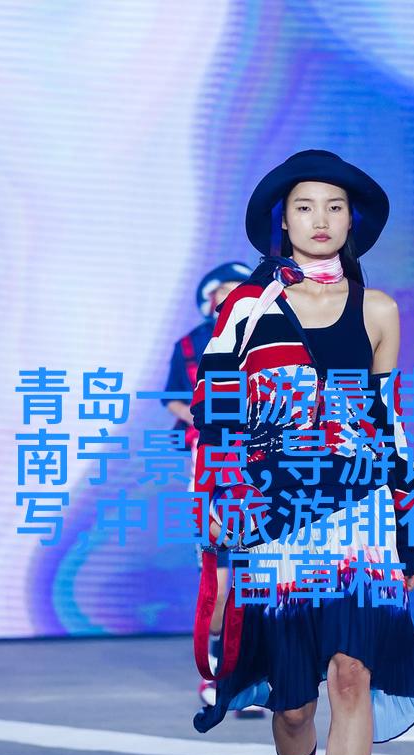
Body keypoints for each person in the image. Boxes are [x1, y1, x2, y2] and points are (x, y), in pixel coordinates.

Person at [191, 150, 414, 755]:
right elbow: (214, 411)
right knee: (293, 699)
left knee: (352, 674)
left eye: (335, 206)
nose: (321, 219)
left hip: (359, 514)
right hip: (275, 517)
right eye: (305, 206)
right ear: (283, 220)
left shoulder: (379, 310)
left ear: (352, 220)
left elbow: (387, 422)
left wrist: (408, 529)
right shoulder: (246, 307)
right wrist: (228, 500)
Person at [163, 261, 265, 717]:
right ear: (208, 299)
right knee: (221, 581)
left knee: (262, 579)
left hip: (265, 470)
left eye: (242, 287)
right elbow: (174, 397)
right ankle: (216, 671)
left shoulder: (270, 336)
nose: (234, 295)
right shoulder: (190, 345)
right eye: (225, 288)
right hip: (214, 471)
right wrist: (207, 418)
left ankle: (255, 674)